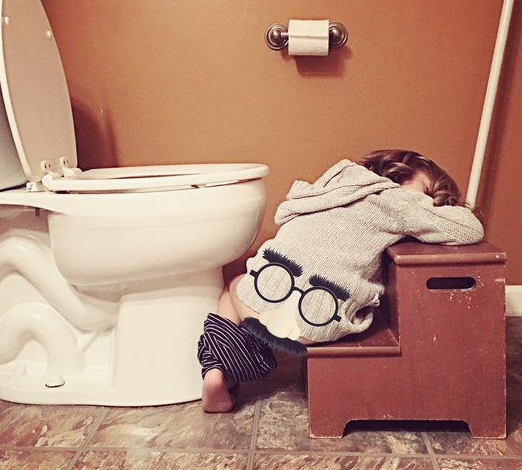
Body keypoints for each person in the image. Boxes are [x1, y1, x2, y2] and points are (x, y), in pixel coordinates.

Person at [197, 149, 484, 413]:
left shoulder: (333, 185)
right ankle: (231, 365)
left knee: (233, 288)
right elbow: (470, 229)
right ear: (399, 174)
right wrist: (437, 208)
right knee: (272, 301)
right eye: (427, 191)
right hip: (316, 323)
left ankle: (215, 372)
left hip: (264, 299)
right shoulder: (398, 201)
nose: (429, 201)